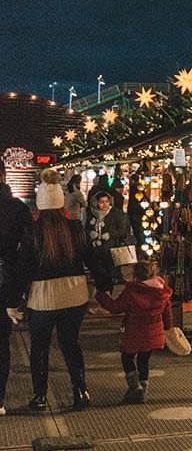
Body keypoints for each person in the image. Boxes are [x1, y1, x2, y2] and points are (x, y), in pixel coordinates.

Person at [24, 169, 109, 412]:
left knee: (39, 347)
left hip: (42, 297)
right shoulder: (74, 227)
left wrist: (14, 298)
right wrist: (104, 285)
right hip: (74, 293)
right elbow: (91, 257)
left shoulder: (33, 229)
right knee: (70, 343)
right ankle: (80, 389)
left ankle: (40, 395)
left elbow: (24, 266)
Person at [95, 261, 172, 404]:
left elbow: (115, 307)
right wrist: (169, 328)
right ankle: (142, 389)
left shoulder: (132, 291)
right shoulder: (161, 291)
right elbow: (167, 312)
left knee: (127, 358)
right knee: (144, 360)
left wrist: (101, 296)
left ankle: (134, 385)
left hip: (134, 332)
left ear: (135, 275)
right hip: (153, 333)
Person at [0, 159, 33, 417]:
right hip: (5, 282)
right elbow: (29, 252)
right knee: (2, 342)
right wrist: (19, 291)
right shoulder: (18, 209)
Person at [86, 190, 132, 286]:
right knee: (98, 270)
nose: (104, 204)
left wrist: (110, 234)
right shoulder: (92, 213)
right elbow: (87, 227)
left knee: (110, 271)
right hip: (96, 248)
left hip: (111, 247)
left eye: (106, 202)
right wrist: (90, 233)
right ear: (96, 203)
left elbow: (122, 230)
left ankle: (109, 285)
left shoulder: (115, 213)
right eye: (101, 202)